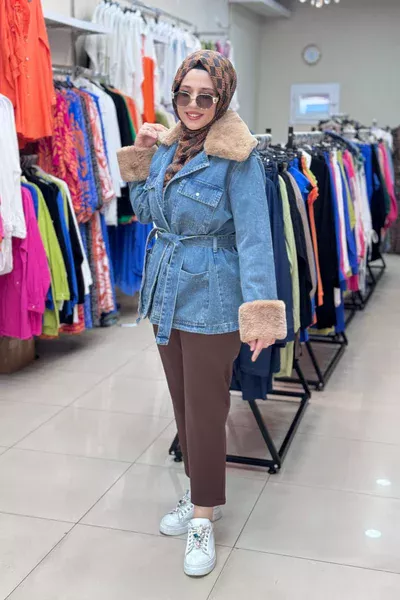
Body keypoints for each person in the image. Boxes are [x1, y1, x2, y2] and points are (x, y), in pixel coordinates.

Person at [117, 50, 286, 578]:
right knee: (183, 406)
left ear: (223, 98)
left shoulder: (240, 157)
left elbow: (256, 238)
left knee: (206, 411)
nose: (192, 105)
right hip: (167, 291)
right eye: (184, 95)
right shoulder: (170, 147)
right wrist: (142, 157)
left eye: (205, 97)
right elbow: (145, 212)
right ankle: (197, 495)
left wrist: (259, 314)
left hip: (213, 297)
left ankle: (203, 518)